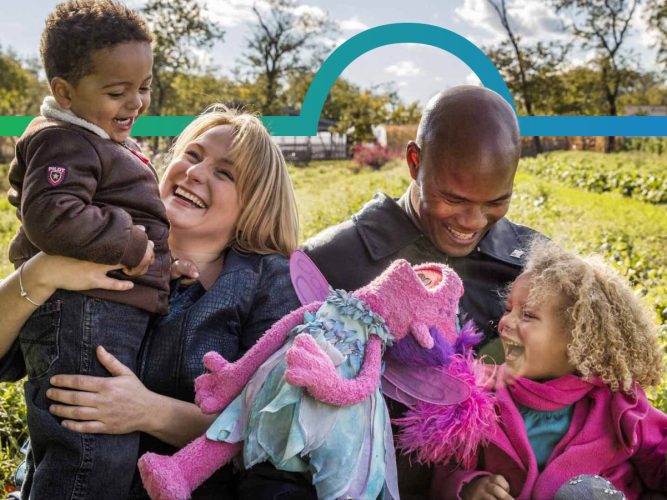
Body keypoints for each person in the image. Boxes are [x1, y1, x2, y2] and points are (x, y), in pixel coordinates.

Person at [0, 105, 302, 499]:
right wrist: (41, 273)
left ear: (255, 204)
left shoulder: (269, 282)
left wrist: (149, 412)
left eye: (224, 173)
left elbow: (276, 426)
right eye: (192, 156)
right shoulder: (100, 241)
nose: (195, 173)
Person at [299, 85, 543, 498]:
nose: (472, 220)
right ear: (415, 162)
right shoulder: (330, 262)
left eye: (496, 202)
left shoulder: (537, 266)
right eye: (453, 198)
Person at [7, 1, 170, 497]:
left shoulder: (96, 139)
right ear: (65, 92)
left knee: (90, 450)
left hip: (100, 314)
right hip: (82, 315)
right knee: (88, 457)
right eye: (117, 91)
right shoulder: (65, 141)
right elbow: (52, 215)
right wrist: (131, 242)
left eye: (143, 87)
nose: (136, 102)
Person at [433, 241, 667, 499]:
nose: (505, 322)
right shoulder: (480, 395)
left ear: (578, 340)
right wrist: (468, 486)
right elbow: (447, 469)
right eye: (508, 309)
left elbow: (659, 455)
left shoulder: (619, 404)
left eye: (528, 315)